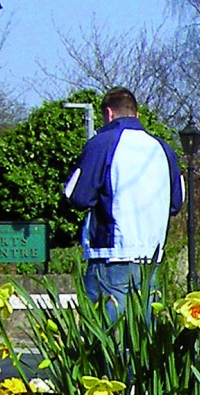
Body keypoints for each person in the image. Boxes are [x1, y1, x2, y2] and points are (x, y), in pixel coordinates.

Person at [62, 88, 184, 314]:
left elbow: (78, 197)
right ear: (136, 114)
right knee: (145, 342)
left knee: (104, 343)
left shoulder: (102, 144)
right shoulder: (163, 149)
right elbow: (176, 203)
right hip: (151, 259)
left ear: (109, 113)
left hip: (110, 256)